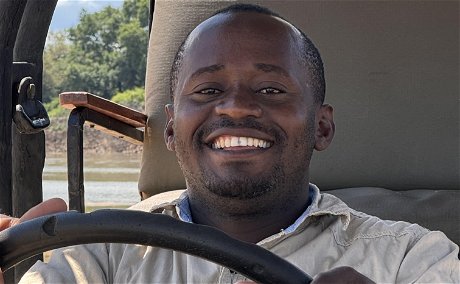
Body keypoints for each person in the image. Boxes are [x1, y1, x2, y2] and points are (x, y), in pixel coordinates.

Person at [1, 4, 459, 283]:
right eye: (207, 91)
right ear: (170, 130)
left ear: (322, 127)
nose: (236, 108)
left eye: (271, 91)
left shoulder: (413, 259)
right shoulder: (99, 253)